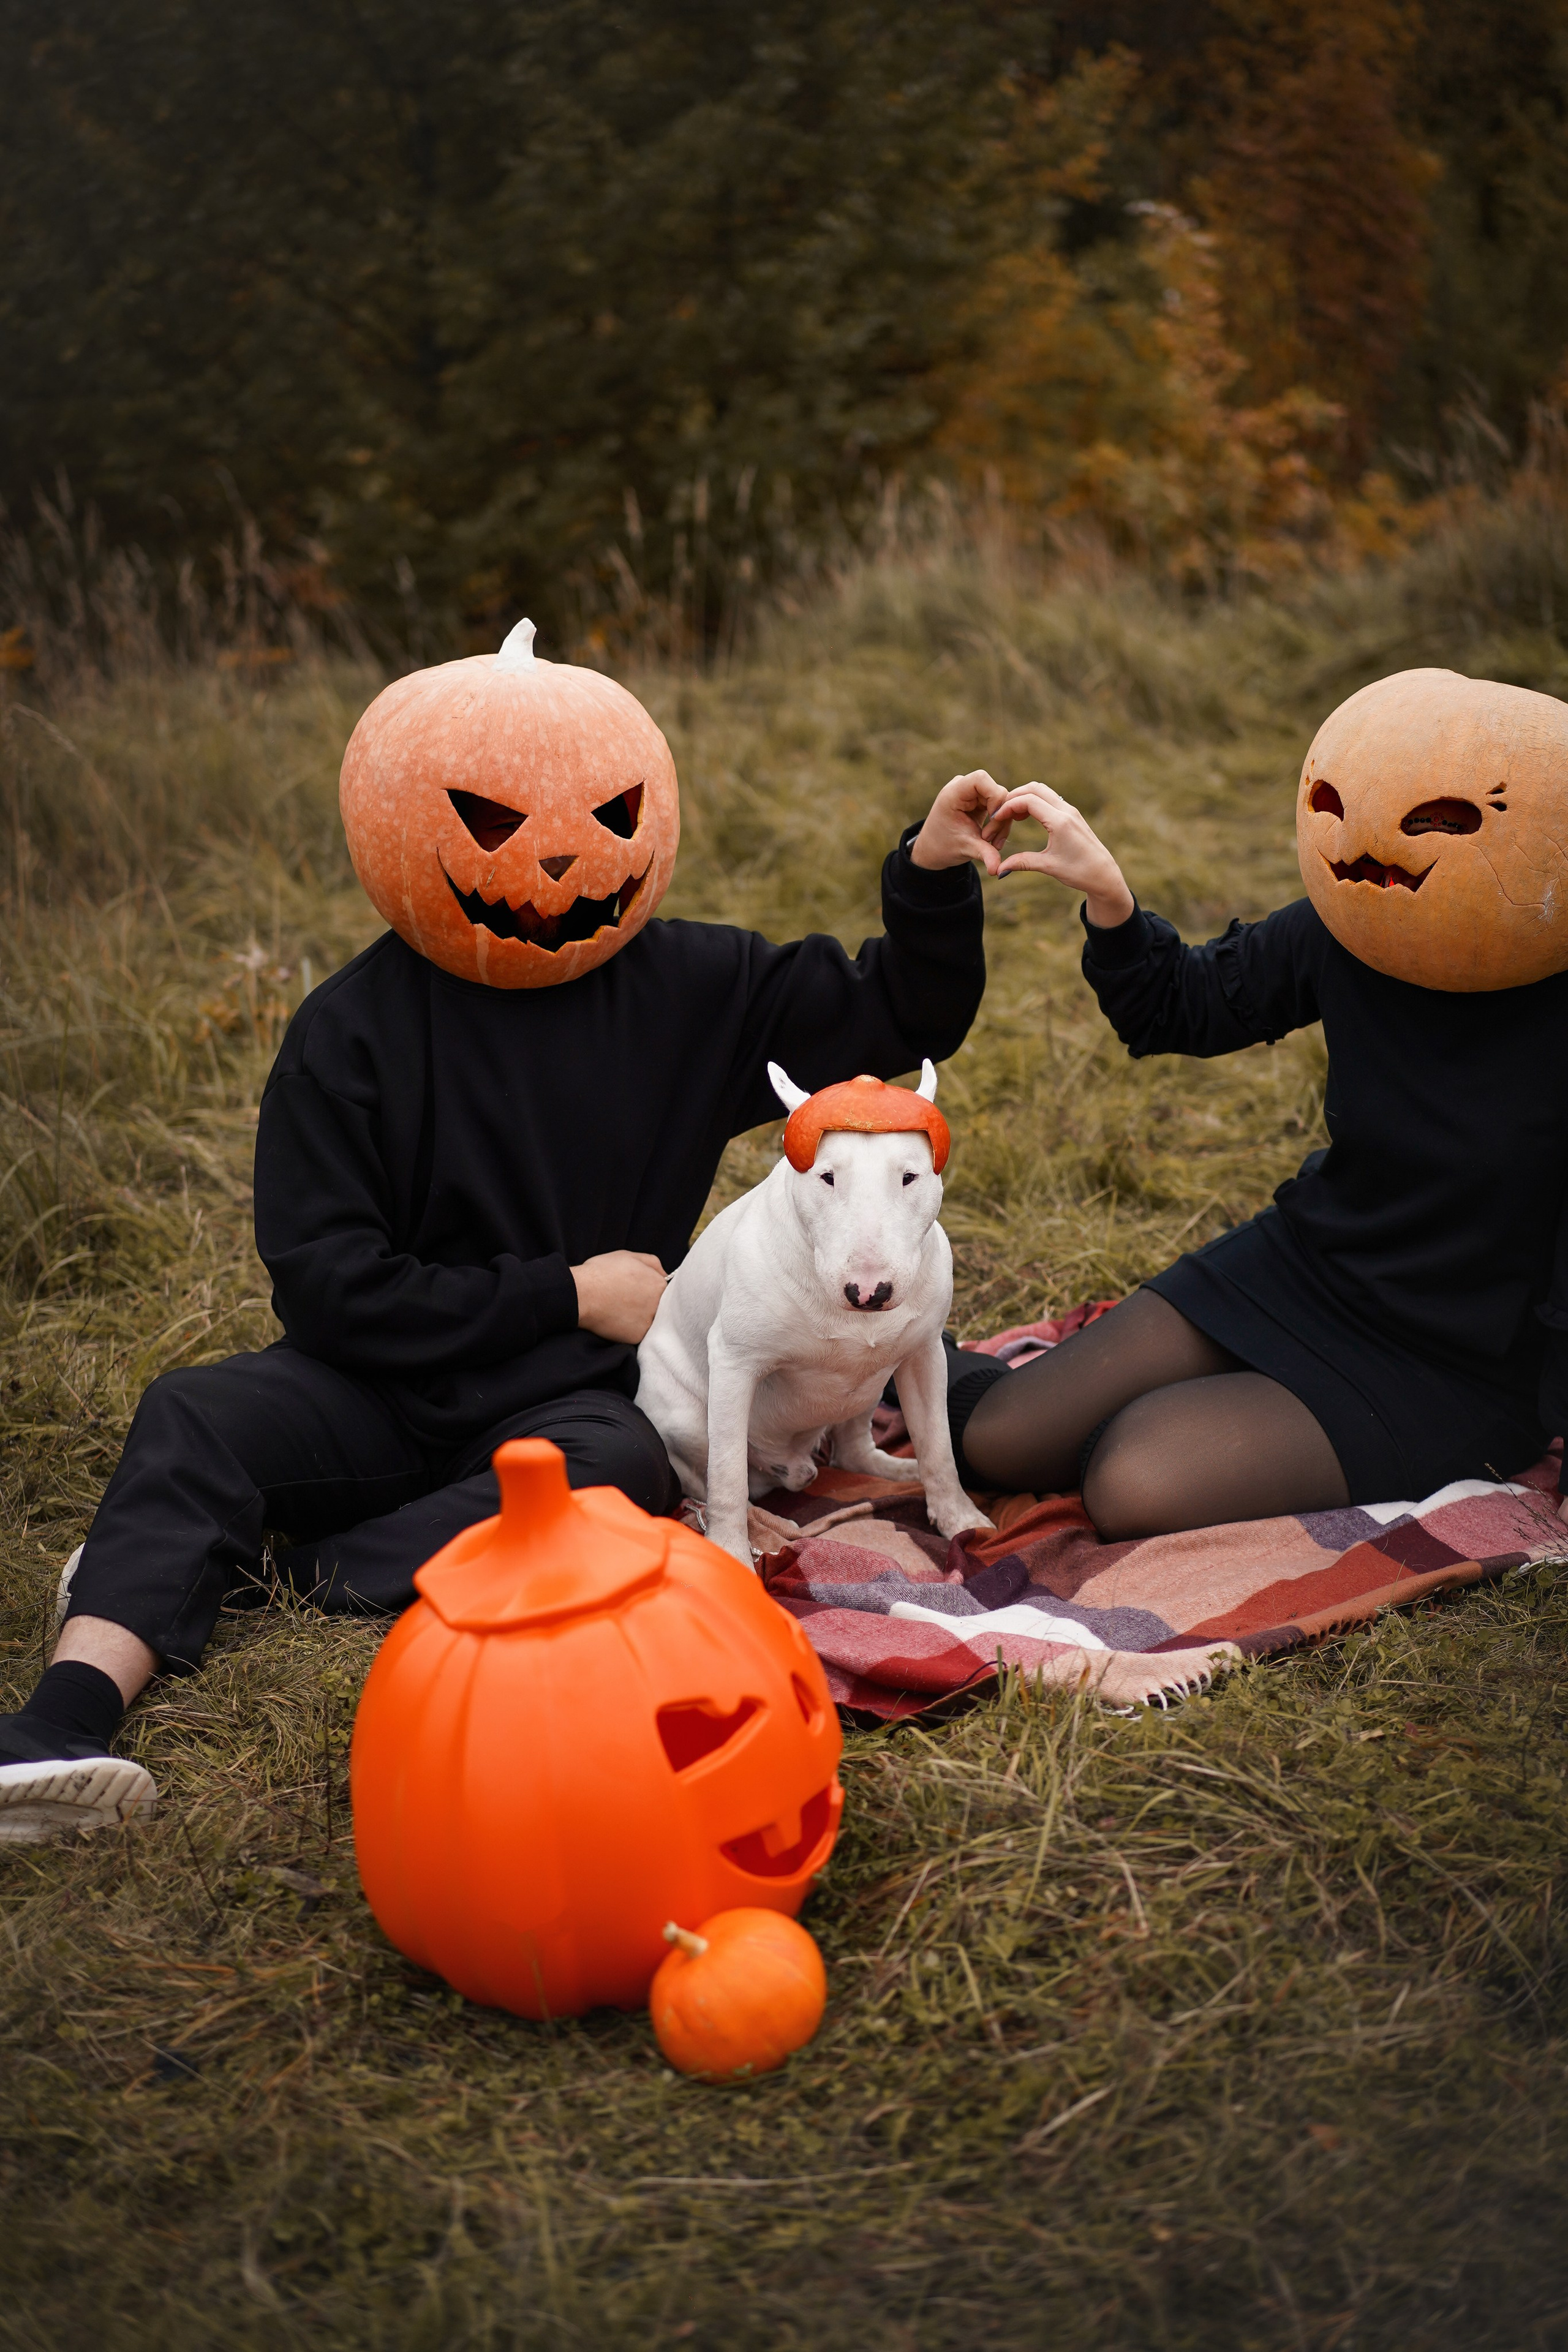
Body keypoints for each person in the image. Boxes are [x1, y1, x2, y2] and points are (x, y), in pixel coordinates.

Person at [0, 639, 1003, 1838]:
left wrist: (932, 874)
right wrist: (565, 1293)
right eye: (489, 819)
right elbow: (327, 1288)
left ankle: (242, 1577)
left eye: (609, 813)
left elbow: (900, 1013)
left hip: (566, 1408)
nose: (561, 854)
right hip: (375, 1382)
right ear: (397, 825)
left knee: (621, 1475)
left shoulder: (695, 987)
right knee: (195, 1414)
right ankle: (62, 1723)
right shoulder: (349, 1035)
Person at [944, 744, 1568, 1542]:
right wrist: (1107, 890)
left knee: (1133, 1481)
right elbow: (1183, 1005)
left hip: (1455, 1360)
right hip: (1314, 1267)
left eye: (1446, 824)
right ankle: (897, 1355)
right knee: (999, 1439)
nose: (1392, 849)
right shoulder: (1366, 918)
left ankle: (1212, 1413)